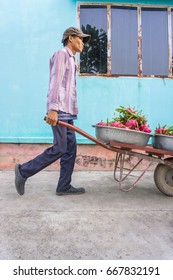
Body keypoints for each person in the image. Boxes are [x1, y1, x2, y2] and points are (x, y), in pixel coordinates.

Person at [15, 27, 91, 196]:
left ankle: (64, 186)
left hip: (68, 112)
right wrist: (53, 108)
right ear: (71, 38)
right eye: (81, 39)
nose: (83, 43)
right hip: (59, 110)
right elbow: (55, 82)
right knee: (60, 148)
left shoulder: (72, 60)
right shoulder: (61, 55)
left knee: (70, 150)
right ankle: (23, 171)